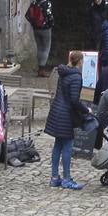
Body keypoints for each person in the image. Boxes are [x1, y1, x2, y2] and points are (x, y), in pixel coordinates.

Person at [44, 51, 88, 190]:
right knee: (68, 146)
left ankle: (55, 177)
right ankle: (67, 178)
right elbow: (74, 100)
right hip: (66, 115)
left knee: (58, 144)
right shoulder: (75, 77)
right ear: (80, 61)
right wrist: (86, 110)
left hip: (56, 110)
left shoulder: (63, 72)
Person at [27, 0, 55, 77]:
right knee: (46, 48)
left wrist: (33, 23)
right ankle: (42, 69)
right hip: (45, 29)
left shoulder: (34, 3)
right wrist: (50, 24)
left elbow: (27, 15)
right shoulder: (47, 3)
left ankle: (40, 68)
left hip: (36, 29)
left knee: (39, 48)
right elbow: (49, 16)